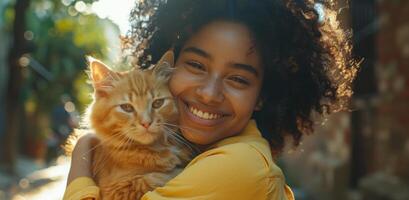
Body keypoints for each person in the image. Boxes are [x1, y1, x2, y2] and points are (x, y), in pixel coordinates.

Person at [63, 0, 357, 199]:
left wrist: (81, 156)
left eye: (238, 79)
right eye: (196, 66)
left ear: (262, 97)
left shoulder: (240, 169)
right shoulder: (202, 147)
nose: (208, 93)